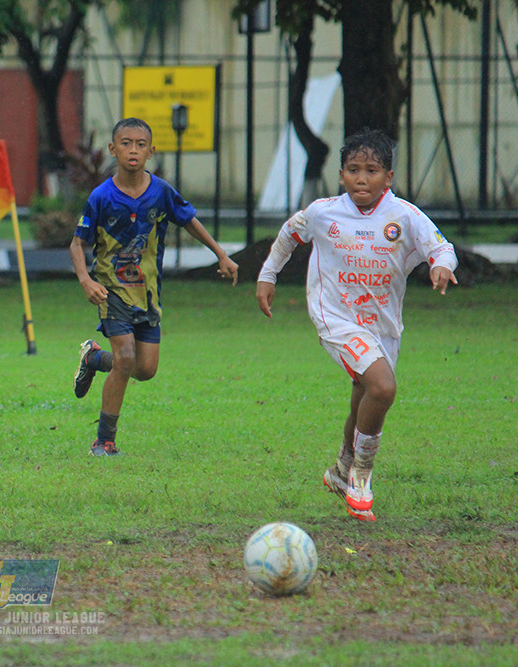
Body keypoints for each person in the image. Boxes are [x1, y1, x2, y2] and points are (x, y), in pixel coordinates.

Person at [255, 128, 457, 522]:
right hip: (336, 317)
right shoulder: (323, 211)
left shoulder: (405, 215)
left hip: (383, 325)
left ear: (389, 177)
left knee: (364, 398)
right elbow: (287, 235)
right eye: (353, 170)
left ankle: (342, 468)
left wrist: (441, 266)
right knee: (382, 387)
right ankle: (360, 478)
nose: (361, 179)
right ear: (342, 174)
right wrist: (268, 276)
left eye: (372, 170)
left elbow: (441, 246)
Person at [70, 117, 239, 457]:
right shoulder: (101, 197)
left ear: (151, 151)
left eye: (140, 144)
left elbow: (188, 218)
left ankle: (92, 358)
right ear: (112, 149)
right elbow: (77, 244)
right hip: (112, 290)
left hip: (147, 294)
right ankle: (104, 440)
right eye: (126, 143)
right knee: (127, 357)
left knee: (145, 369)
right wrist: (86, 281)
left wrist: (221, 253)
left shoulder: (161, 191)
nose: (133, 150)